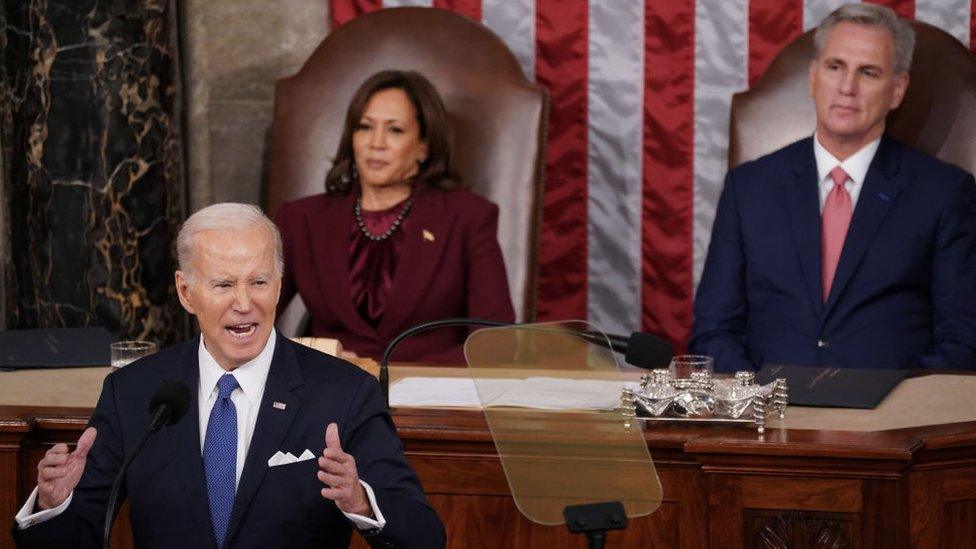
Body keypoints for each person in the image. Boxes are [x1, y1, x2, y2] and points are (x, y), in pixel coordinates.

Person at [13, 203, 445, 548]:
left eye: (259, 282)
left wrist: (361, 500)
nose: (244, 303)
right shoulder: (134, 392)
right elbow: (74, 537)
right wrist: (54, 504)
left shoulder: (344, 393)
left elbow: (424, 536)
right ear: (186, 292)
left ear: (279, 284)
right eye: (223, 285)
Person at [691, 3, 976, 373]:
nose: (847, 87)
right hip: (767, 417)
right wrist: (757, 401)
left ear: (897, 90)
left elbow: (964, 342)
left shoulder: (944, 193)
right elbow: (714, 332)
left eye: (868, 72)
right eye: (835, 67)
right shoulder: (748, 189)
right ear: (813, 77)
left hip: (888, 423)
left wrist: (889, 404)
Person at [275, 70, 515, 363]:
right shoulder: (301, 219)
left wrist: (388, 375)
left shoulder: (468, 218)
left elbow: (496, 343)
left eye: (395, 130)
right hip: (328, 393)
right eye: (364, 127)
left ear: (423, 146)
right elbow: (250, 320)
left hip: (425, 397)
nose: (376, 143)